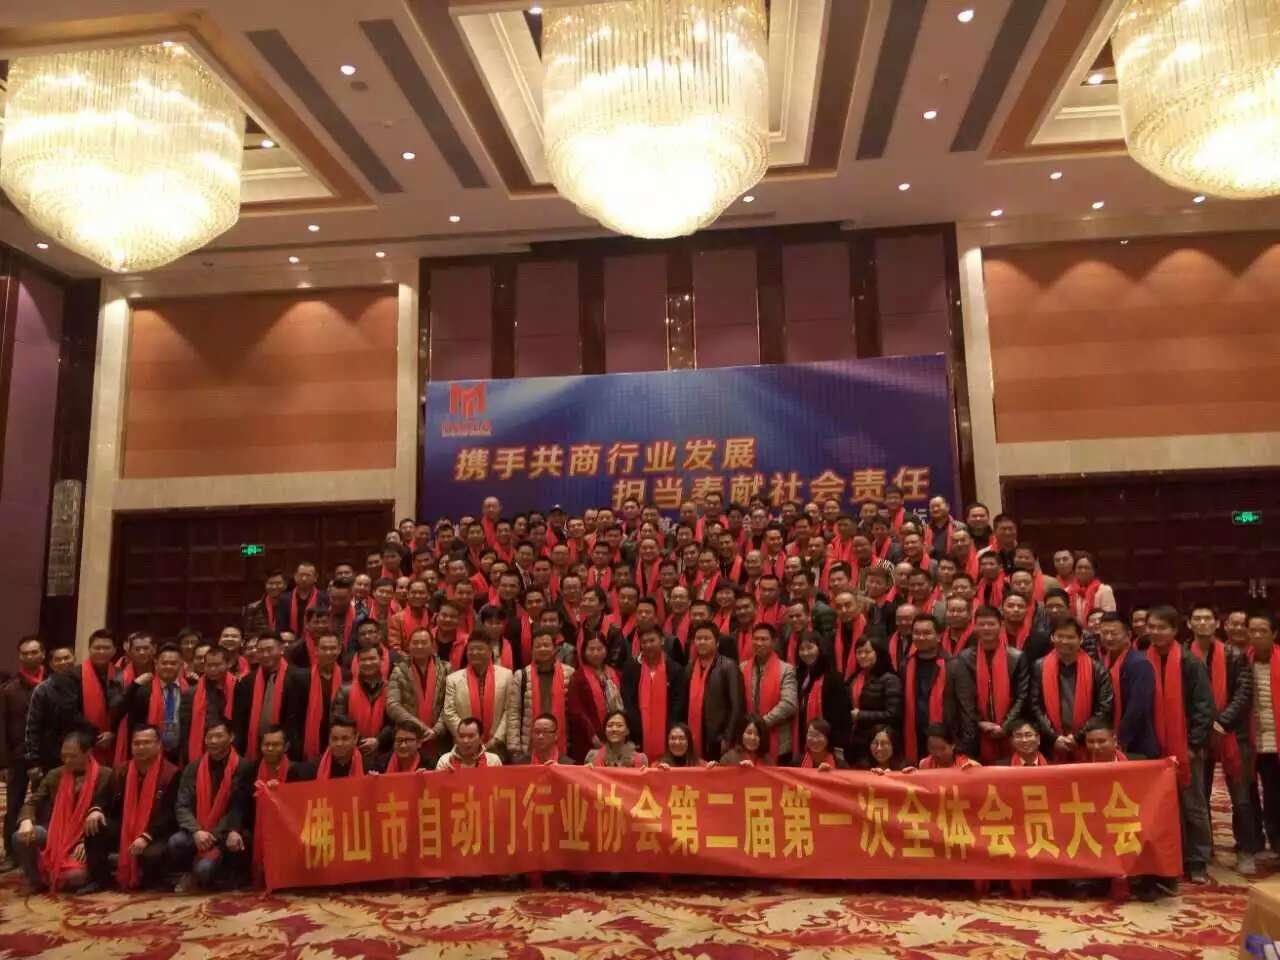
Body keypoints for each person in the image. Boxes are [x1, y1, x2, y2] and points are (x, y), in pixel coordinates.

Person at [1145, 605, 1214, 885]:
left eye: (1162, 627)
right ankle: (1168, 857)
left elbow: (1204, 708)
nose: (1156, 632)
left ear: (1174, 630)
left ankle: (1198, 860)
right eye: (1151, 627)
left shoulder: (1189, 662)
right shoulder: (1143, 660)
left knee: (1193, 803)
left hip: (1186, 746)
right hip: (1154, 746)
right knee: (1160, 805)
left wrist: (1193, 745)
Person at [1186, 603, 1256, 875]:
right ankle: (1203, 850)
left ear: (1217, 624)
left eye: (1208, 619)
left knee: (1241, 797)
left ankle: (1246, 849)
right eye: (1197, 618)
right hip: (1198, 734)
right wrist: (1203, 727)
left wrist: (1221, 722)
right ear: (1189, 624)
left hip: (1231, 734)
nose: (1202, 623)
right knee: (1199, 796)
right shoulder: (1184, 655)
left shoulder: (1233, 654)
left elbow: (1243, 692)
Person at [11, 729, 111, 894]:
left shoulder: (105, 775)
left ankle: (56, 875)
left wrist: (87, 842)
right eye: (64, 756)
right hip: (56, 834)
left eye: (73, 756)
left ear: (88, 753)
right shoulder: (55, 774)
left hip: (86, 837)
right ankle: (37, 881)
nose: (67, 761)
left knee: (76, 877)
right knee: (20, 837)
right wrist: (26, 820)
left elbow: (110, 811)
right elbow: (33, 801)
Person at [99, 724, 180, 891]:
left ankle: (155, 881)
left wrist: (146, 836)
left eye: (146, 742)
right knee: (96, 828)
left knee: (151, 855)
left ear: (158, 745)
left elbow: (169, 815)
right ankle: (100, 880)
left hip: (157, 831)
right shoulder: (121, 770)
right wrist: (96, 810)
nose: (141, 747)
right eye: (136, 743)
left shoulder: (171, 773)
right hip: (126, 827)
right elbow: (103, 799)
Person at [170, 720, 246, 893]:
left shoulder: (243, 767)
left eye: (218, 736)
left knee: (205, 870)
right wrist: (196, 831)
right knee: (175, 842)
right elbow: (182, 806)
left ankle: (221, 875)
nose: (213, 741)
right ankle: (190, 872)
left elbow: (239, 808)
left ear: (231, 737)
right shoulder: (193, 768)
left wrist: (213, 834)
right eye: (209, 737)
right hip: (198, 831)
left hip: (226, 832)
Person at [1030, 618, 1113, 762]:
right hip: (1051, 743)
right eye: (1060, 636)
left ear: (1080, 639)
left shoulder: (1097, 670)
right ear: (1052, 637)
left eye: (1070, 637)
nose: (1064, 641)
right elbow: (1035, 705)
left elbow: (1104, 708)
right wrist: (1054, 737)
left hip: (1087, 743)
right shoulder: (1039, 666)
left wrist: (1078, 737)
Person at [958, 605, 1029, 763]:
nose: (986, 628)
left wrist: (1005, 726)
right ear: (974, 626)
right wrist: (980, 722)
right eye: (981, 624)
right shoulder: (965, 658)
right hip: (977, 732)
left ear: (1001, 625)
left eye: (991, 624)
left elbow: (1022, 696)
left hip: (1010, 730)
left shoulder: (1017, 657)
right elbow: (964, 698)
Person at [899, 615, 972, 765]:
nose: (921, 637)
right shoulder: (905, 665)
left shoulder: (954, 665)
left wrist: (966, 745)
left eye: (926, 633)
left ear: (938, 636)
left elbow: (967, 708)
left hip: (946, 742)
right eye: (917, 633)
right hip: (914, 737)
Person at [1, 635, 46, 871]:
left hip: (45, 756)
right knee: (14, 804)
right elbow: (1, 728)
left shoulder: (52, 683)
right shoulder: (8, 690)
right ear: (19, 656)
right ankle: (11, 853)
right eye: (25, 653)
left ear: (42, 654)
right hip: (17, 757)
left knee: (44, 802)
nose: (29, 656)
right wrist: (3, 763)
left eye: (34, 652)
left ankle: (42, 849)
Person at [1096, 613, 1159, 759]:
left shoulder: (1139, 663)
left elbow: (1139, 706)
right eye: (1104, 633)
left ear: (1128, 635)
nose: (1109, 638)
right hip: (1109, 738)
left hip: (1136, 742)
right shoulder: (1102, 662)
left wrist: (1120, 739)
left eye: (1114, 633)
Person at [621, 624, 686, 767]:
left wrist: (669, 727)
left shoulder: (675, 669)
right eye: (644, 642)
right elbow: (627, 700)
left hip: (667, 733)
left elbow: (678, 702)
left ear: (661, 640)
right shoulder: (631, 667)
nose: (648, 645)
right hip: (638, 733)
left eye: (652, 640)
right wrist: (637, 725)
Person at [442, 634, 514, 761]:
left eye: (480, 649)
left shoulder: (506, 676)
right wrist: (468, 737)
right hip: (464, 747)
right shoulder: (453, 679)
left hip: (496, 746)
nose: (475, 652)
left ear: (490, 651)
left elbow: (509, 710)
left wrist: (496, 739)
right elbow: (449, 712)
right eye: (471, 649)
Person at [507, 629, 575, 761]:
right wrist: (514, 747)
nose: (542, 649)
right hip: (528, 745)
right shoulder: (522, 675)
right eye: (538, 646)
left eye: (546, 645)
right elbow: (514, 713)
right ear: (532, 650)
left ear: (555, 648)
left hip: (563, 744)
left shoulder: (569, 674)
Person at [385, 627, 450, 765]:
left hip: (440, 740)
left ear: (433, 646)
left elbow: (450, 705)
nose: (419, 646)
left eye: (424, 642)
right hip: (409, 739)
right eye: (415, 642)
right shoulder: (399, 670)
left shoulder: (446, 669)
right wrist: (420, 728)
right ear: (408, 646)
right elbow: (392, 705)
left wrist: (436, 730)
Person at [120, 643, 188, 764]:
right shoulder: (143, 691)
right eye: (164, 663)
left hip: (182, 752)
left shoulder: (191, 690)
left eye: (173, 663)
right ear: (156, 664)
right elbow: (134, 726)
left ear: (181, 665)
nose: (168, 667)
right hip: (150, 752)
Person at [740, 624, 798, 764]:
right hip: (748, 740)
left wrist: (761, 724)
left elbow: (789, 704)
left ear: (774, 641)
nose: (759, 643)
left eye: (764, 639)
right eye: (756, 639)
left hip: (778, 742)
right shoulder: (742, 668)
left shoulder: (786, 669)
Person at [794, 633, 852, 763]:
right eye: (801, 649)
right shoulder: (801, 676)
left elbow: (843, 716)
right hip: (808, 741)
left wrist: (838, 746)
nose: (805, 653)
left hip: (831, 745)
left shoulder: (833, 677)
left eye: (810, 648)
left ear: (820, 649)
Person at [1249, 611, 1280, 856]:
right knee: (1255, 796)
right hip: (1252, 741)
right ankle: (1258, 841)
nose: (1257, 636)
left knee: (1274, 795)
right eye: (1253, 631)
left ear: (1274, 634)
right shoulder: (1240, 662)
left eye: (1263, 631)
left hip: (1275, 741)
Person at [289, 631, 345, 762]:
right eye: (324, 648)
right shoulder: (301, 678)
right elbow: (293, 717)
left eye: (333, 648)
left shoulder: (348, 676)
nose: (328, 652)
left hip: (339, 740)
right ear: (316, 650)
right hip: (308, 742)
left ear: (339, 650)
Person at [566, 633, 622, 761]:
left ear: (606, 650)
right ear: (584, 652)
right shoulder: (578, 677)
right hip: (588, 739)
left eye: (599, 649)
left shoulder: (616, 674)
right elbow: (576, 711)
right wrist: (592, 735)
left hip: (616, 734)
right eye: (591, 649)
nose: (596, 653)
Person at [847, 637, 901, 767]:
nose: (862, 656)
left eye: (867, 652)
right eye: (859, 652)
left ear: (878, 652)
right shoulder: (854, 678)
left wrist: (861, 715)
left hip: (880, 744)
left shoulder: (890, 679)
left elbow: (893, 714)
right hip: (856, 741)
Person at [334, 646, 393, 763]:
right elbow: (338, 719)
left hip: (385, 752)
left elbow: (394, 723)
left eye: (372, 659)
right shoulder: (345, 690)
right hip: (351, 752)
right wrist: (362, 741)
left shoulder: (392, 689)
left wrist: (378, 740)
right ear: (358, 662)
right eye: (364, 660)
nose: (368, 663)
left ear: (381, 660)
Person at [436, 716, 502, 769]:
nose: (465, 741)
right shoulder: (445, 761)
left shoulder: (493, 761)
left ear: (481, 738)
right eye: (461, 736)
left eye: (471, 736)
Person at [1068, 553, 1116, 625]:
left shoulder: (1104, 590)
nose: (1083, 571)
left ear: (1094, 571)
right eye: (1079, 567)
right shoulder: (1068, 591)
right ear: (1074, 570)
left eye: (1087, 568)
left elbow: (1110, 617)